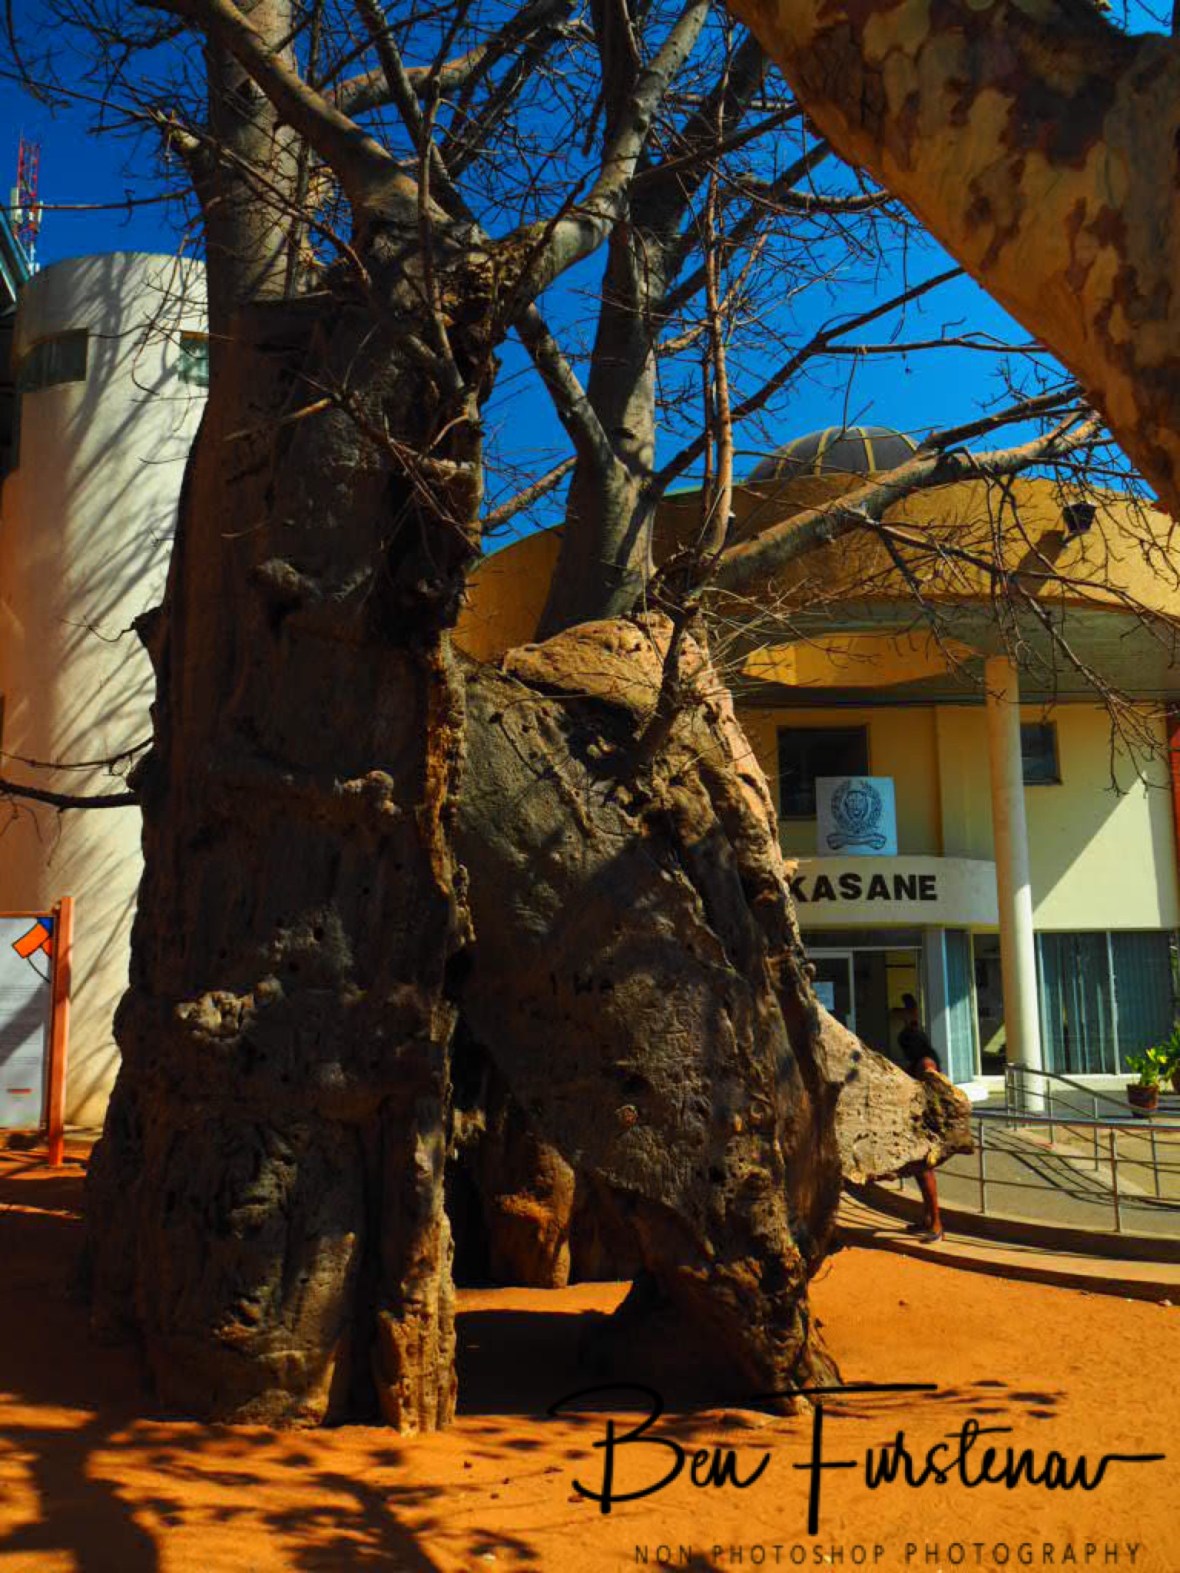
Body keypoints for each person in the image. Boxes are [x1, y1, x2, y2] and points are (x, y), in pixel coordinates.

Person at [897, 993, 945, 1242]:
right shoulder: (920, 1054)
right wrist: (911, 1011)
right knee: (919, 1172)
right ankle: (927, 1218)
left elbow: (932, 1094)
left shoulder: (925, 1064)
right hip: (917, 1123)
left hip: (926, 1125)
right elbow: (914, 1027)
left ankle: (937, 1224)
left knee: (926, 1173)